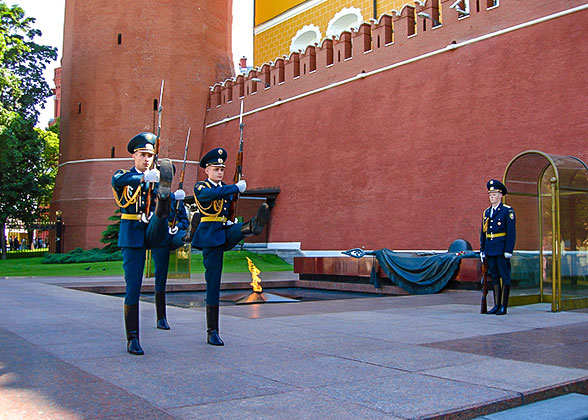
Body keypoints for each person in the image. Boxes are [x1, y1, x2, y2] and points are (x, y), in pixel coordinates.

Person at [111, 132, 183, 355]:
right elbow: (117, 181)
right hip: (132, 233)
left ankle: (179, 230)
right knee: (133, 286)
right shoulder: (125, 175)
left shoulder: (156, 177)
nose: (146, 159)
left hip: (152, 230)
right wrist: (143, 178)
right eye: (142, 155)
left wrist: (173, 196)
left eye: (150, 155)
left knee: (163, 210)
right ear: (134, 156)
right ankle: (132, 338)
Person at [191, 147, 270, 346]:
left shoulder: (225, 188)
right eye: (216, 169)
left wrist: (229, 215)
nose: (219, 173)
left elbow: (226, 207)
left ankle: (253, 226)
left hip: (224, 231)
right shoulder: (201, 187)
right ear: (207, 171)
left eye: (221, 170)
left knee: (239, 229)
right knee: (213, 283)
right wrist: (236, 187)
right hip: (210, 238)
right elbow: (210, 196)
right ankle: (212, 331)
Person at [151, 189, 189, 330]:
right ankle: (161, 317)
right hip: (159, 238)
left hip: (173, 236)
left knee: (184, 236)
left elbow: (184, 220)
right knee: (160, 277)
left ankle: (189, 237)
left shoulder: (176, 197)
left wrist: (177, 227)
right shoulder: (150, 192)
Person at [480, 179, 516, 315]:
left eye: (494, 194)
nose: (492, 197)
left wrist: (508, 250)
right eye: (490, 195)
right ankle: (496, 304)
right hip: (490, 249)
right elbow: (483, 232)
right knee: (494, 277)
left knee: (505, 277)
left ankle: (503, 306)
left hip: (501, 249)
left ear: (501, 196)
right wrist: (482, 249)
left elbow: (511, 232)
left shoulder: (507, 211)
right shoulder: (486, 212)